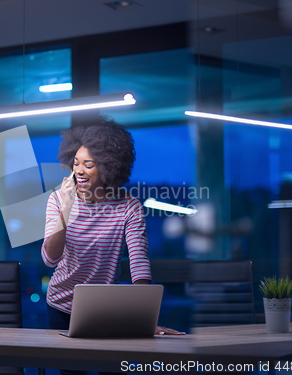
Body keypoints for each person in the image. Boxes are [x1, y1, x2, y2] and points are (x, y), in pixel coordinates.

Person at [41, 117, 184, 374]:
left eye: (88, 164)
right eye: (75, 163)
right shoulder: (57, 200)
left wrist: (144, 319)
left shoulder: (129, 207)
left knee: (114, 369)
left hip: (107, 310)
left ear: (108, 167)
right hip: (61, 306)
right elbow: (50, 259)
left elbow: (139, 265)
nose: (79, 171)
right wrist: (66, 207)